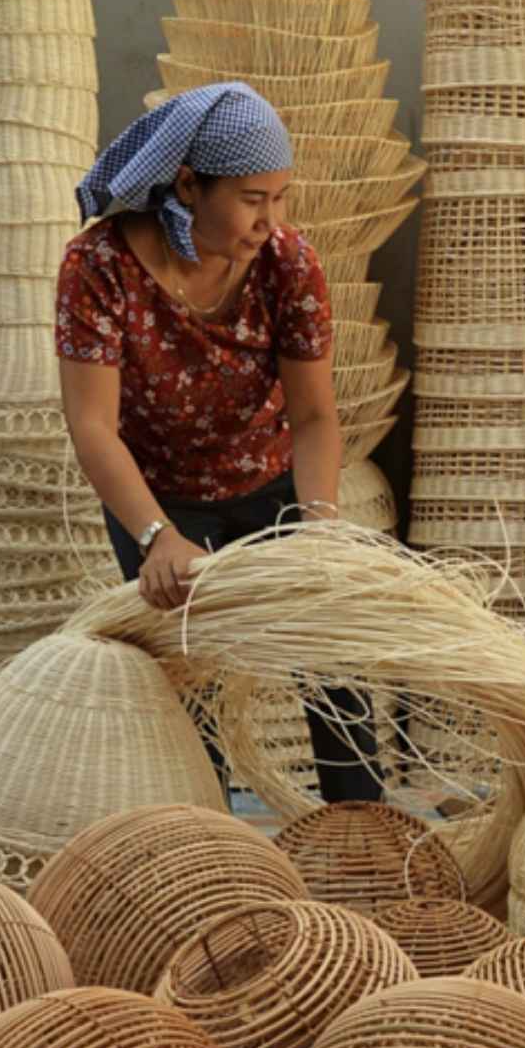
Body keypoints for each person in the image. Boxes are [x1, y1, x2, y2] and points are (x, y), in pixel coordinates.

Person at [55, 81, 378, 803]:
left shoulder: (289, 263)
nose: (271, 219)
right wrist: (156, 535)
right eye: (252, 198)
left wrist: (317, 526)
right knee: (186, 680)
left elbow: (316, 417)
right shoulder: (98, 268)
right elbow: (92, 426)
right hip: (158, 498)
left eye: (281, 196)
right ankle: (206, 852)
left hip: (270, 484)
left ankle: (363, 831)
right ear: (188, 184)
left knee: (333, 650)